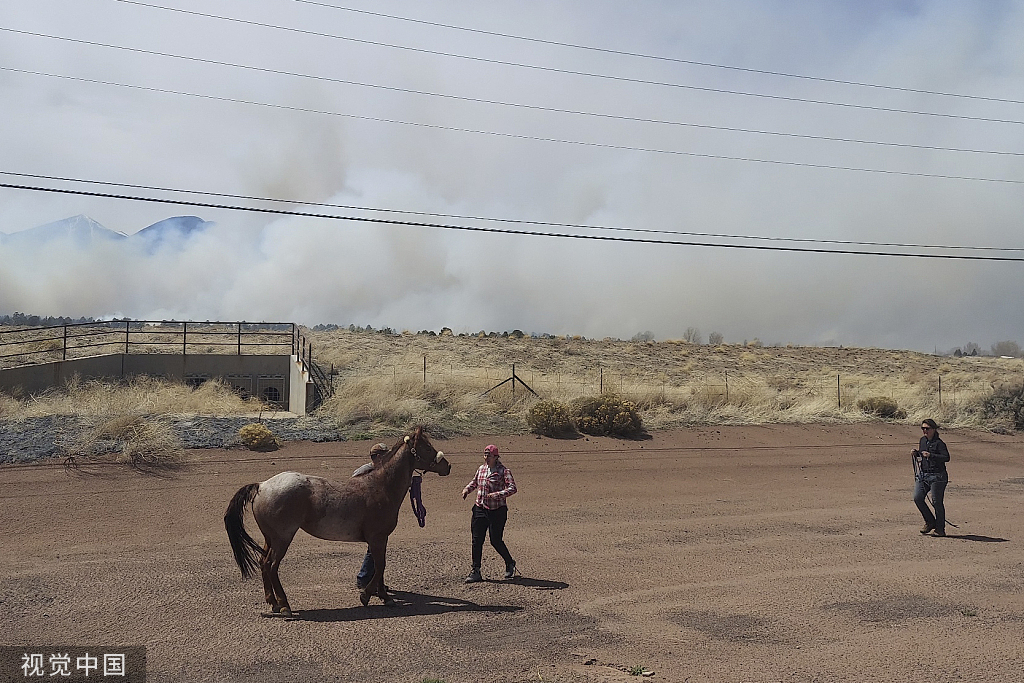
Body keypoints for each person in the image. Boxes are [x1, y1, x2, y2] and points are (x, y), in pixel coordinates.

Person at [462, 444, 518, 583]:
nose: (486, 458)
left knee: (495, 540)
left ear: (496, 457)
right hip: (480, 509)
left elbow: (512, 488)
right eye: (485, 455)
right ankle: (476, 571)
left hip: (497, 511)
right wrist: (467, 490)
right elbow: (475, 482)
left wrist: (497, 495)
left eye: (489, 455)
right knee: (476, 540)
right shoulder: (481, 469)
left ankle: (510, 562)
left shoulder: (504, 471)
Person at [353, 443, 389, 589]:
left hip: (375, 515)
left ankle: (370, 580)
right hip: (363, 514)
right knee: (374, 547)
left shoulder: (384, 471)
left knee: (375, 547)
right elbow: (352, 484)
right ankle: (365, 579)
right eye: (386, 455)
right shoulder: (367, 470)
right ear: (379, 457)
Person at [912, 418, 950, 537]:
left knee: (936, 502)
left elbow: (946, 457)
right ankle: (930, 522)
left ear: (933, 429)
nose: (924, 431)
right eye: (923, 428)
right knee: (917, 498)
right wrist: (916, 453)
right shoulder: (922, 440)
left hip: (938, 476)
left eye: (927, 428)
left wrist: (931, 455)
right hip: (923, 475)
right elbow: (922, 454)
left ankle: (940, 528)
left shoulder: (939, 443)